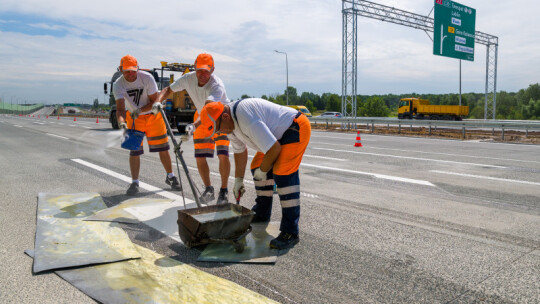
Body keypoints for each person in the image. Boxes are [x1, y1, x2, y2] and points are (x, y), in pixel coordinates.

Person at [196, 98, 311, 250]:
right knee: (256, 164)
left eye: (218, 129)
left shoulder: (244, 117)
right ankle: (262, 212)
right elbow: (239, 151)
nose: (220, 132)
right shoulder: (228, 124)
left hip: (295, 127)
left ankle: (290, 232)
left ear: (224, 117)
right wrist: (238, 180)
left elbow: (274, 149)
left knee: (282, 174)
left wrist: (264, 171)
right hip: (277, 136)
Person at [154, 53, 231, 204]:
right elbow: (168, 90)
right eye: (200, 70)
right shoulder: (188, 79)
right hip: (201, 114)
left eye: (206, 71)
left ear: (212, 70)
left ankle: (224, 190)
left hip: (220, 117)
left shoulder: (217, 85)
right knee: (200, 156)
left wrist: (193, 126)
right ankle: (209, 189)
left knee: (223, 154)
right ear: (195, 68)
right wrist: (157, 101)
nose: (203, 74)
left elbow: (209, 111)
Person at [113, 54, 181, 196]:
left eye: (133, 70)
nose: (131, 74)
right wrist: (122, 123)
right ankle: (135, 182)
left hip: (153, 116)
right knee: (134, 151)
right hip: (133, 119)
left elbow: (154, 101)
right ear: (121, 69)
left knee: (163, 148)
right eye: (127, 71)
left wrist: (140, 110)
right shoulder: (118, 85)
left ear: (137, 68)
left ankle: (171, 176)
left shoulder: (147, 78)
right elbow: (120, 109)